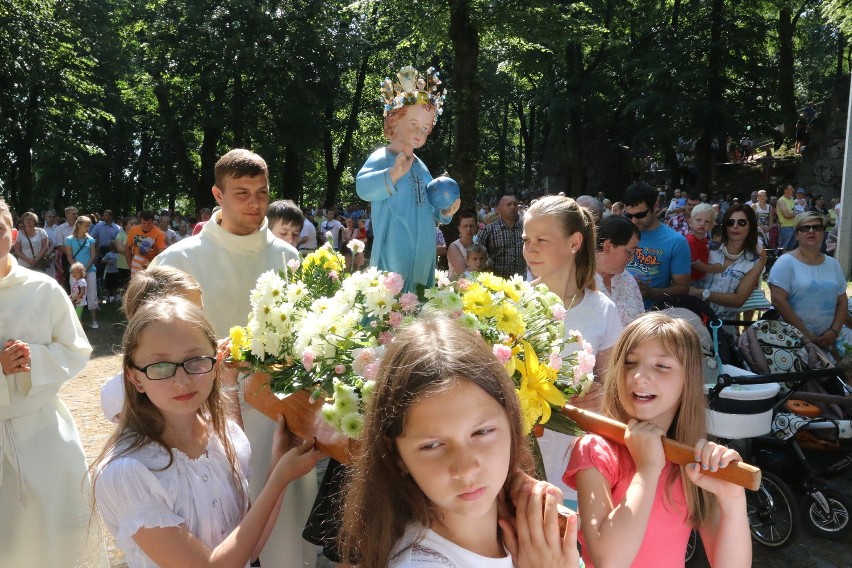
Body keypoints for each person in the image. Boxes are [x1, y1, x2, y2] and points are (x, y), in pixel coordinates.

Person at [150, 148, 317, 567]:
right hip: (204, 408)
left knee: (284, 529)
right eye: (241, 193)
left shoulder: (287, 257)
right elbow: (151, 337)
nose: (254, 203)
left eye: (261, 192)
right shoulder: (177, 260)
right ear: (217, 195)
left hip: (277, 410)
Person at [92, 297, 323, 568]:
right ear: (135, 378)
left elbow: (247, 550)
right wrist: (278, 479)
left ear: (215, 361)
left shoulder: (227, 438)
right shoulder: (128, 472)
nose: (182, 381)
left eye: (196, 360)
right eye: (160, 366)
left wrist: (278, 468)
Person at [339, 317, 580, 568]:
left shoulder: (529, 535)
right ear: (398, 455)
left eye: (482, 432)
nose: (465, 468)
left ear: (512, 422)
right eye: (432, 445)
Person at [564, 313, 752, 568]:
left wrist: (732, 499)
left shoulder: (691, 461)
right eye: (630, 363)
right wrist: (647, 469)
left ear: (689, 380)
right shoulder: (595, 450)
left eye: (662, 366)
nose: (639, 376)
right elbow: (610, 561)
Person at [0, 199, 109, 567]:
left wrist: (33, 360)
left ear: (12, 235)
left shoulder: (42, 290)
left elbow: (76, 349)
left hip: (42, 430)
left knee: (57, 539)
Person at [523, 194, 623, 505]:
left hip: (577, 470)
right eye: (526, 239)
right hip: (521, 469)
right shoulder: (512, 304)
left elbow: (616, 390)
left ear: (574, 242)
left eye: (542, 239)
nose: (530, 248)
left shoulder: (602, 309)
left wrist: (600, 396)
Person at [356, 66, 459, 292]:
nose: (420, 133)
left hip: (424, 243)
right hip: (395, 240)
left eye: (426, 127)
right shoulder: (382, 158)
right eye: (414, 124)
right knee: (393, 292)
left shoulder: (421, 168)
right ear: (394, 120)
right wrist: (392, 174)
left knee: (421, 290)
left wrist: (445, 211)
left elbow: (432, 205)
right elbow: (363, 187)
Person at [100, 266, 205, 424]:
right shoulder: (121, 392)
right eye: (185, 316)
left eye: (200, 312)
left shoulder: (207, 365)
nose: (199, 324)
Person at [768, 211, 847, 352]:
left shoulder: (833, 264)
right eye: (804, 228)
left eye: (817, 227)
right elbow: (778, 301)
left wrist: (834, 332)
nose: (811, 231)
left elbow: (842, 300)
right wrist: (807, 335)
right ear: (797, 234)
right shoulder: (785, 263)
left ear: (823, 233)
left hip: (827, 341)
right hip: (791, 343)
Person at [689, 204, 766, 322]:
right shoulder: (708, 250)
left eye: (742, 223)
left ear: (750, 226)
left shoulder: (753, 261)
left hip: (726, 326)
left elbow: (738, 300)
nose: (735, 226)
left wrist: (703, 293)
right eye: (730, 222)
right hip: (694, 321)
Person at [623, 182, 691, 309]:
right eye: (628, 215)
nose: (633, 221)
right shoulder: (619, 233)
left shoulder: (676, 242)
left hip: (651, 317)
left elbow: (683, 288)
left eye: (640, 215)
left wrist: (653, 292)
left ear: (655, 205)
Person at [595, 215, 644, 326]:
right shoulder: (579, 281)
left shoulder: (627, 279)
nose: (632, 258)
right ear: (608, 246)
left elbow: (640, 324)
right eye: (630, 251)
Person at [65, 215, 100, 328]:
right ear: (78, 225)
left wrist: (85, 269)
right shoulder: (69, 239)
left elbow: (93, 255)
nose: (88, 227)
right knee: (76, 294)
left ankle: (94, 320)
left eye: (89, 225)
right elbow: (69, 256)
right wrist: (77, 270)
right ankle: (76, 321)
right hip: (75, 273)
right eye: (86, 225)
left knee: (92, 294)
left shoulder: (90, 239)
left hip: (90, 271)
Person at [479, 194, 526, 279]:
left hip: (521, 284)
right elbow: (477, 253)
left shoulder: (525, 229)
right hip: (496, 285)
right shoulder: (489, 230)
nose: (513, 207)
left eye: (515, 204)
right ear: (499, 209)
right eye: (509, 204)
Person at [686, 203, 724, 283]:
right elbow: (694, 263)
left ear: (711, 226)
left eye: (707, 221)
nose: (702, 224)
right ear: (690, 222)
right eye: (698, 220)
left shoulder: (704, 239)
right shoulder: (690, 241)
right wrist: (712, 269)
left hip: (701, 277)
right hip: (691, 280)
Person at [126, 211, 167, 275]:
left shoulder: (159, 234)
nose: (146, 226)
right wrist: (129, 265)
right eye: (144, 223)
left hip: (150, 267)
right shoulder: (133, 230)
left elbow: (161, 252)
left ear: (153, 222)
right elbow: (127, 248)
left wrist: (155, 267)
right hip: (136, 266)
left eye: (148, 223)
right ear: (140, 221)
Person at [447, 209, 478, 278]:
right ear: (459, 228)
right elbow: (462, 273)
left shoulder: (478, 245)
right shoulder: (454, 246)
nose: (468, 229)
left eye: (471, 226)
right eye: (465, 226)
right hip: (457, 286)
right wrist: (484, 265)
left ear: (476, 228)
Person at [776, 184, 797, 249]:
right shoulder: (781, 201)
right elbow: (786, 215)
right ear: (785, 190)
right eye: (791, 188)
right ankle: (778, 259)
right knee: (783, 248)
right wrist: (797, 214)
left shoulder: (791, 200)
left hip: (793, 227)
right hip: (786, 227)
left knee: (790, 248)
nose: (793, 190)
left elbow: (792, 212)